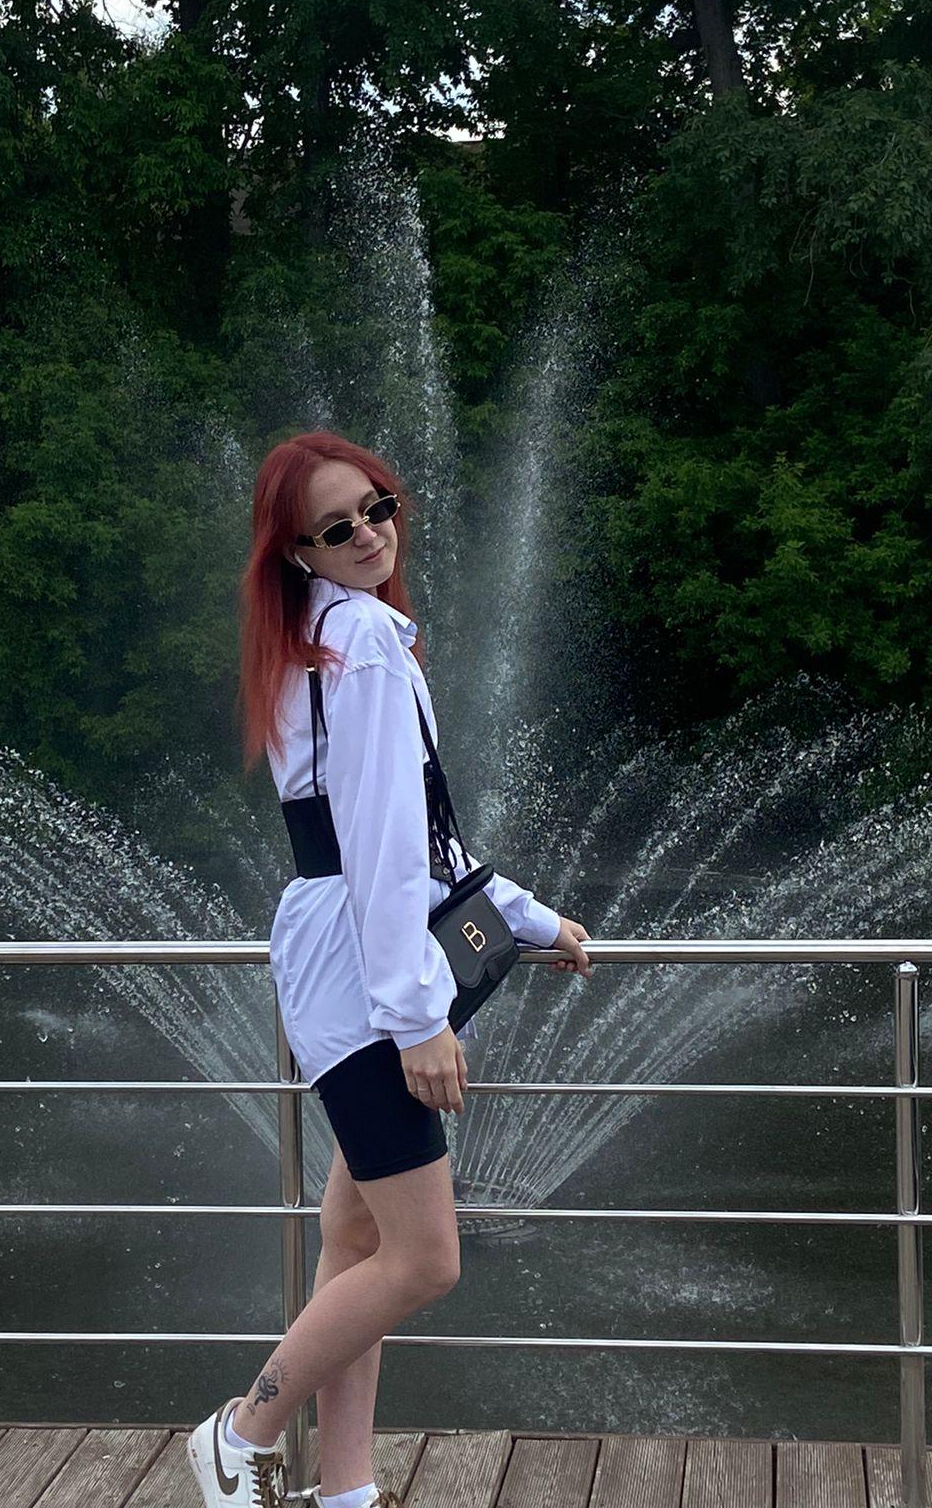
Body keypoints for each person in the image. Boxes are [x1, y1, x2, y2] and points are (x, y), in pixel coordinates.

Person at [188, 431, 592, 1508]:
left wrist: (529, 917)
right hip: (367, 978)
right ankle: (241, 1430)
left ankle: (347, 1490)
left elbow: (413, 834)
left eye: (378, 508)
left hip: (344, 959)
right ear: (297, 553)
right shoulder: (361, 639)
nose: (368, 534)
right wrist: (419, 1018)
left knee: (358, 1236)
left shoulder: (326, 636)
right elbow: (377, 845)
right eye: (337, 528)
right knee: (424, 1259)